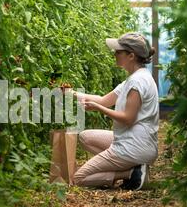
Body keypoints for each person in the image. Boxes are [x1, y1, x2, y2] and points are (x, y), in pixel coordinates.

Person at [66, 32, 159, 190]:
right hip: (134, 141)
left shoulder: (137, 82)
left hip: (134, 147)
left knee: (78, 178)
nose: (114, 54)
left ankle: (129, 173)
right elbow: (103, 100)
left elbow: (127, 118)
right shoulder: (134, 78)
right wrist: (70, 93)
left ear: (131, 55)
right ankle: (133, 167)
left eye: (118, 51)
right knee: (85, 137)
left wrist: (98, 109)